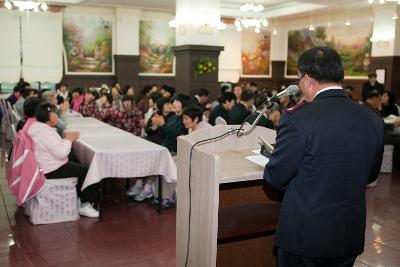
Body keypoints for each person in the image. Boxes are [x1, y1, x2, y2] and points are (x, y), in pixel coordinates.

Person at [263, 47, 384, 267]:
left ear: (307, 79)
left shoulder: (298, 119)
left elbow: (275, 177)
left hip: (305, 236)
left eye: (299, 79)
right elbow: (370, 175)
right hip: (348, 233)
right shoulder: (371, 118)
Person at [28, 103, 100, 217]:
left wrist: (67, 139)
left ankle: (79, 197)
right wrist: (68, 140)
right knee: (89, 171)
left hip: (46, 165)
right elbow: (61, 154)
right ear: (49, 117)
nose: (57, 115)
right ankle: (85, 204)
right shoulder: (45, 132)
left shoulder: (39, 128)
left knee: (77, 162)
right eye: (54, 113)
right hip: (51, 169)